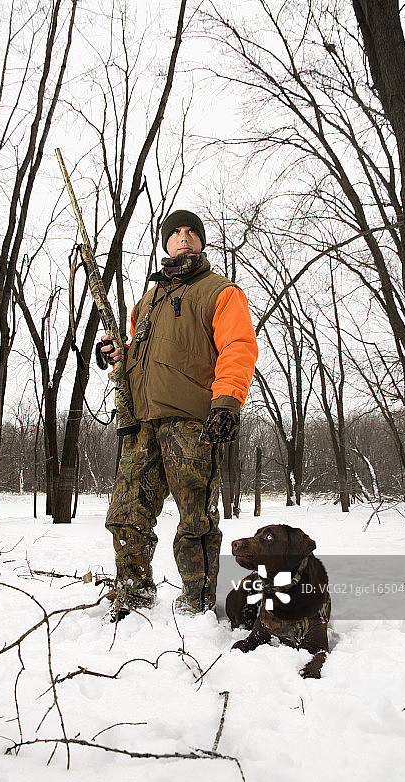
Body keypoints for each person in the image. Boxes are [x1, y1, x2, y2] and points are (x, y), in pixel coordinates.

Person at [97, 209, 257, 618]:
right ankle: (134, 594)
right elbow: (144, 356)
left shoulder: (220, 292)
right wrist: (119, 354)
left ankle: (198, 605)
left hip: (191, 422)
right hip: (143, 422)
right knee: (126, 512)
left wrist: (226, 403)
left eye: (191, 232)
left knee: (195, 519)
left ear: (200, 241)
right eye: (175, 232)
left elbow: (238, 347)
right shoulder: (147, 301)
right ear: (165, 242)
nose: (183, 237)